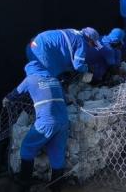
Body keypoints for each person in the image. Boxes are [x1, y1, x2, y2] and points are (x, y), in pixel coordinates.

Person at [6, 27, 96, 187]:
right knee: (57, 155)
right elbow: (66, 97)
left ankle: (24, 180)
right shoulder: (55, 81)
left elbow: (15, 94)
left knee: (27, 147)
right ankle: (56, 186)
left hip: (46, 122)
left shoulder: (30, 79)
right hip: (63, 121)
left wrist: (6, 100)